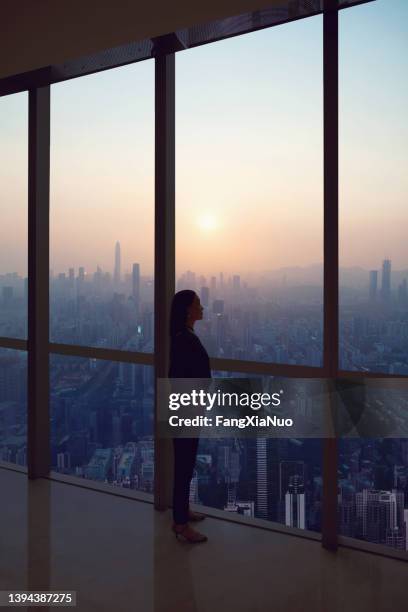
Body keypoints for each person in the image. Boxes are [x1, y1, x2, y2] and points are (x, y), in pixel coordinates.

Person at [169, 290, 210, 543]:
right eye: (198, 304)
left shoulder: (185, 336)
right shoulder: (184, 339)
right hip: (186, 410)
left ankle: (183, 512)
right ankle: (180, 524)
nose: (202, 307)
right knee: (184, 465)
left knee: (187, 463)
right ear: (187, 310)